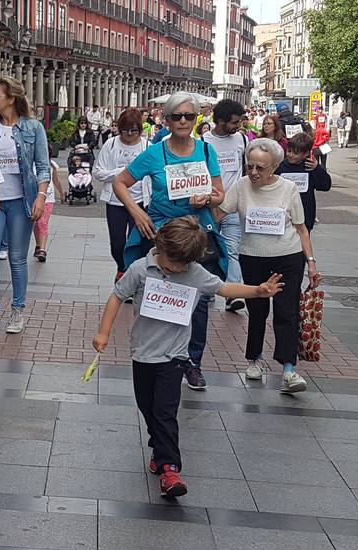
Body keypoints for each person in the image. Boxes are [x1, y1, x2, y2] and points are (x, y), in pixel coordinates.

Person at [93, 216, 282, 498]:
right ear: (159, 246)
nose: (174, 268)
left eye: (181, 265)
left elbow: (224, 288)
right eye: (170, 261)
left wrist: (257, 290)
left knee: (165, 413)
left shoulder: (195, 273)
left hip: (174, 357)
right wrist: (104, 333)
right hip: (142, 354)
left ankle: (171, 469)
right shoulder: (141, 269)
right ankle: (159, 449)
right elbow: (117, 297)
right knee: (148, 408)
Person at [113, 93, 227, 390]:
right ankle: (154, 355)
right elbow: (120, 183)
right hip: (162, 233)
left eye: (189, 116)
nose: (183, 122)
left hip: (196, 233)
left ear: (196, 119)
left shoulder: (205, 151)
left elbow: (220, 193)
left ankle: (193, 362)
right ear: (166, 120)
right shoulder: (154, 153)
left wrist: (208, 198)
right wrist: (137, 212)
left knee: (199, 300)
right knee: (157, 295)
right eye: (177, 116)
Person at [220, 139, 320, 393]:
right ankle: (254, 360)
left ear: (274, 167)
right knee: (257, 311)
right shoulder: (241, 186)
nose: (253, 172)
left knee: (287, 312)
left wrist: (311, 263)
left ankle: (289, 369)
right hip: (252, 257)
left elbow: (301, 228)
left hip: (287, 257)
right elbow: (220, 212)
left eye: (260, 168)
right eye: (249, 166)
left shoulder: (288, 189)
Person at [0, 77, 50, 336]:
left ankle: (17, 311)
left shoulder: (33, 128)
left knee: (18, 259)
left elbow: (42, 166)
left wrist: (40, 197)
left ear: (11, 98)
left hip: (21, 202)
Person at [94, 108, 152, 280]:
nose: (129, 134)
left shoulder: (147, 146)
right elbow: (98, 172)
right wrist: (121, 174)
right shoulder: (111, 144)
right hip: (116, 201)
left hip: (139, 200)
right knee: (117, 243)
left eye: (134, 130)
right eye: (126, 130)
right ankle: (122, 268)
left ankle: (131, 275)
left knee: (136, 241)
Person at [205, 99, 252, 312]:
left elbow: (247, 167)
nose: (238, 126)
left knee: (232, 249)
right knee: (208, 249)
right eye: (234, 122)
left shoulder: (242, 139)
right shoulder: (203, 142)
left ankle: (232, 295)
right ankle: (207, 289)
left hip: (233, 204)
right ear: (221, 121)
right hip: (208, 205)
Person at [278, 132, 332, 231]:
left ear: (306, 154)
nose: (291, 155)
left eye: (296, 153)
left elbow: (325, 185)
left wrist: (317, 169)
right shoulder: (280, 167)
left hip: (305, 214)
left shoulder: (310, 167)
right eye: (289, 151)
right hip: (283, 213)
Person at [33, 160, 63, 262]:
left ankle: (42, 250)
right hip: (33, 198)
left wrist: (61, 193)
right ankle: (38, 245)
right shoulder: (29, 162)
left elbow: (55, 180)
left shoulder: (52, 165)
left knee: (43, 223)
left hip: (48, 198)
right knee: (36, 224)